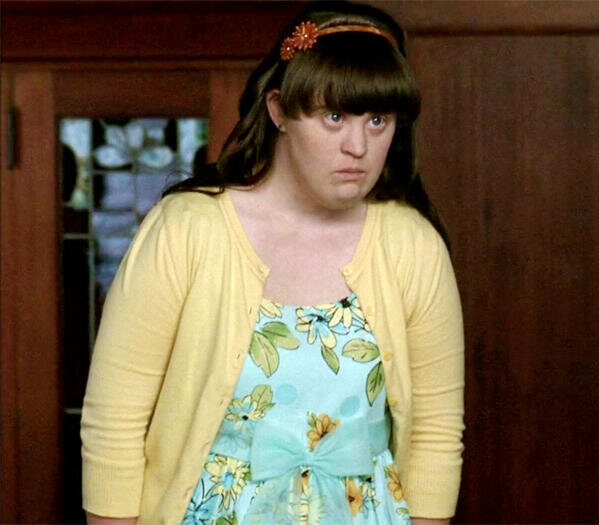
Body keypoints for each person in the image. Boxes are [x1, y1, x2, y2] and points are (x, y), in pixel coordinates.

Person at [80, 2, 464, 524]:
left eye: (377, 120)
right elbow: (114, 423)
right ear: (279, 110)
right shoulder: (187, 230)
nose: (358, 146)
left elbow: (438, 433)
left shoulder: (412, 245)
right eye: (334, 117)